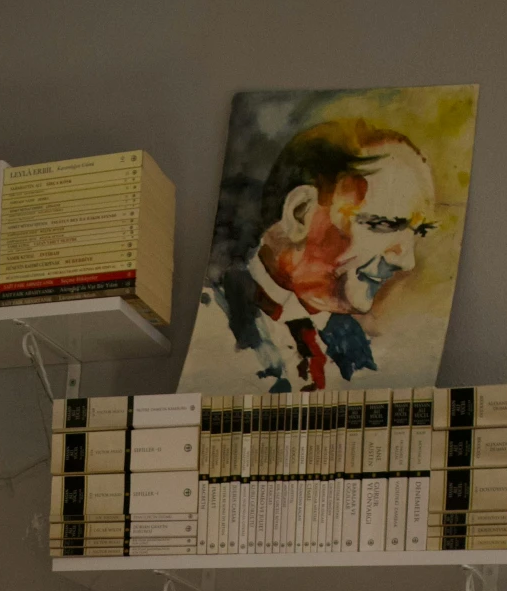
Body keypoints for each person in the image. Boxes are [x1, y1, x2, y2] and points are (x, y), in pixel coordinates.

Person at [183, 117, 438, 394]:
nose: (405, 261)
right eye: (382, 224)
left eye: (418, 231)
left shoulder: (358, 348)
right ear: (299, 212)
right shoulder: (208, 319)